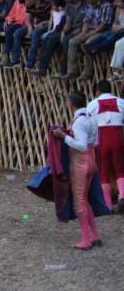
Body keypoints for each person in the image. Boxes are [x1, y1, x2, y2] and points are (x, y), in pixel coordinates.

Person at [51, 91, 102, 250]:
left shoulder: (79, 122)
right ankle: (95, 236)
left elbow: (80, 145)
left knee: (79, 201)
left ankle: (86, 240)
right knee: (85, 200)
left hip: (80, 162)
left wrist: (63, 136)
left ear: (72, 104)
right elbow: (95, 142)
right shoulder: (91, 117)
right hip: (91, 159)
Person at [63, 0, 114, 81]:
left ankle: (87, 72)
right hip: (90, 30)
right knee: (72, 41)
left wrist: (89, 35)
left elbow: (104, 25)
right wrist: (84, 32)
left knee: (87, 44)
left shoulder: (107, 6)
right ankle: (71, 71)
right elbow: (86, 20)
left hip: (102, 31)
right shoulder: (90, 6)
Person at [86, 80, 124, 210]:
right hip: (118, 138)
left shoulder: (92, 104)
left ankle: (107, 205)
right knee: (120, 169)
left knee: (104, 172)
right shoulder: (121, 102)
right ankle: (122, 196)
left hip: (101, 139)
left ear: (97, 92)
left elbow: (88, 124)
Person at [40, 0, 86, 78]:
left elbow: (88, 21)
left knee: (66, 41)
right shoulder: (69, 6)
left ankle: (63, 71)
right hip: (71, 29)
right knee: (50, 38)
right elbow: (68, 21)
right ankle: (42, 68)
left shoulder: (85, 5)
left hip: (81, 30)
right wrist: (63, 32)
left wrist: (78, 30)